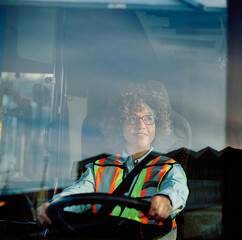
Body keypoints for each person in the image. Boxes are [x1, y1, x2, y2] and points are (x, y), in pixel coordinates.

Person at [37, 81, 189, 239]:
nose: (141, 125)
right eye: (132, 118)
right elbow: (77, 193)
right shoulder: (98, 168)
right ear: (119, 124)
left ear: (157, 123)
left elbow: (176, 189)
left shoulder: (169, 168)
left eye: (148, 118)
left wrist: (166, 199)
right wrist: (53, 205)